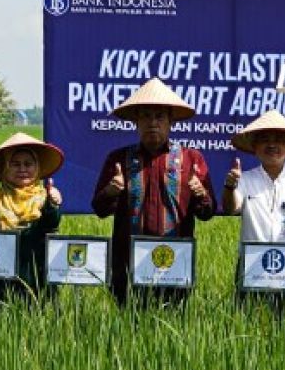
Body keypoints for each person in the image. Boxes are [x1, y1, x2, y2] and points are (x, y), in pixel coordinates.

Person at [91, 78, 216, 307]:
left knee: (171, 332)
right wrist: (110, 191)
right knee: (130, 331)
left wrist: (201, 194)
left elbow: (207, 213)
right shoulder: (118, 159)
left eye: (159, 117)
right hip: (128, 262)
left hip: (175, 263)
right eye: (146, 116)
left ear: (171, 122)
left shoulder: (191, 159)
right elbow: (99, 209)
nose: (153, 123)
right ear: (136, 122)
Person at [223, 110, 285, 322]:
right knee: (248, 325)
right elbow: (232, 208)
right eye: (265, 140)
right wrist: (229, 187)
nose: (272, 145)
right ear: (255, 148)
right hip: (253, 264)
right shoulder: (245, 179)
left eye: (278, 140)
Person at [0, 132, 64, 310]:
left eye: (28, 164)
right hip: (0, 273)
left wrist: (52, 206)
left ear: (37, 168)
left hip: (39, 271)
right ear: (5, 168)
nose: (22, 169)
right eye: (15, 164)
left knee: (42, 319)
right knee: (2, 325)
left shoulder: (46, 197)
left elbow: (51, 224)